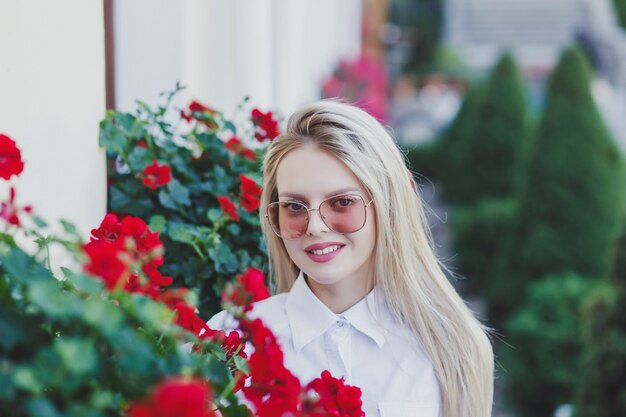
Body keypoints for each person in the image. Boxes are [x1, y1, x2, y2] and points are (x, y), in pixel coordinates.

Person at [209, 100, 494, 417]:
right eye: (294, 207)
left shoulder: (449, 348)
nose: (315, 227)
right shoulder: (229, 341)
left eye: (342, 202)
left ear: (389, 204)